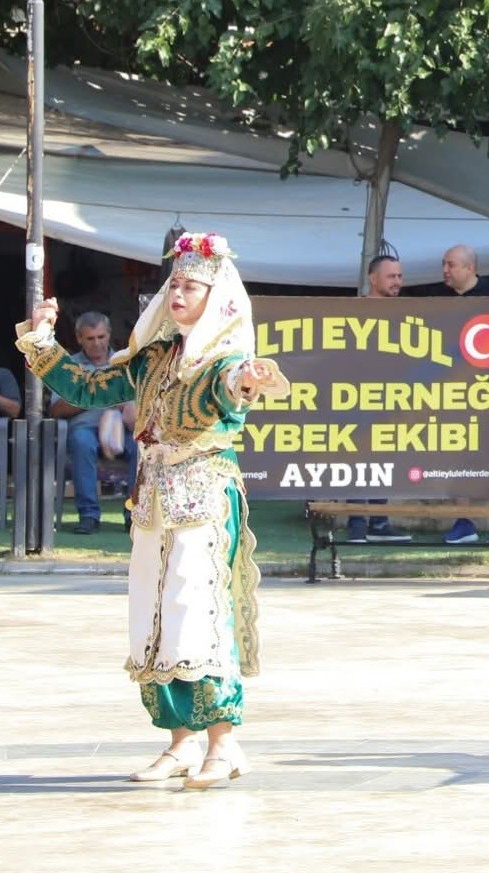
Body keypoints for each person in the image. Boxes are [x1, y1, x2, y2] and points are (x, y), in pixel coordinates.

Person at [16, 231, 289, 789]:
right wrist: (42, 341)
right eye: (176, 284)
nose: (180, 293)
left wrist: (247, 380)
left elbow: (230, 386)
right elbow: (89, 387)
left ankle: (224, 741)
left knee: (199, 615)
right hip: (154, 499)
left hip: (205, 496)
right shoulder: (156, 356)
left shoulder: (223, 360)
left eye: (191, 286)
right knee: (155, 617)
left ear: (216, 299)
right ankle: (180, 742)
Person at [441, 244, 489, 546]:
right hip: (451, 391)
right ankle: (464, 522)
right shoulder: (439, 299)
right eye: (443, 264)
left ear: (470, 268)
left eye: (451, 265)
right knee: (454, 454)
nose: (445, 270)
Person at [49, 311, 139, 534]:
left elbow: (140, 411)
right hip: (85, 429)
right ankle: (88, 516)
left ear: (109, 335)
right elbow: (55, 409)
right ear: (79, 338)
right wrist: (95, 396)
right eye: (90, 338)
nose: (96, 343)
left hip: (121, 429)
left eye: (101, 337)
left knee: (142, 444)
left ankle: (134, 515)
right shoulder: (70, 366)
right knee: (82, 442)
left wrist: (130, 409)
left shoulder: (125, 363)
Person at [346, 255, 412, 544]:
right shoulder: (354, 309)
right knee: (358, 455)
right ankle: (357, 521)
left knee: (385, 456)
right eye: (391, 276)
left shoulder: (410, 313)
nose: (397, 281)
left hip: (394, 397)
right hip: (356, 396)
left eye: (399, 276)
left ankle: (380, 521)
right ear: (373, 278)